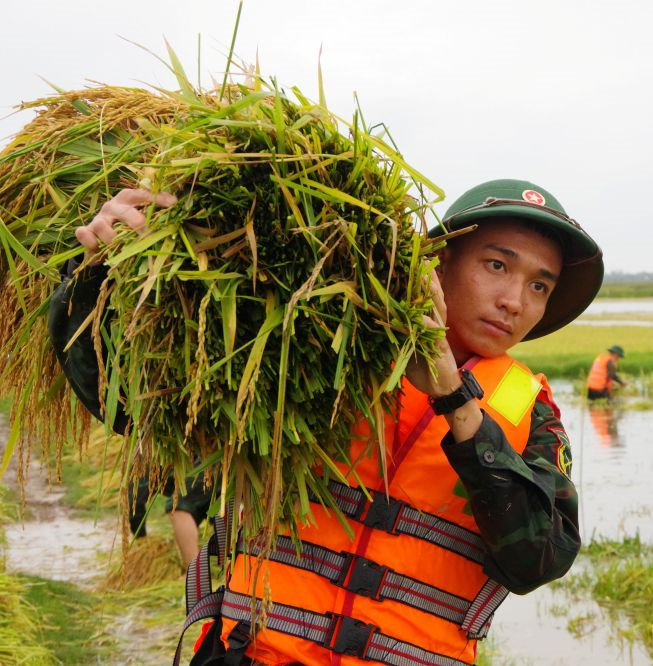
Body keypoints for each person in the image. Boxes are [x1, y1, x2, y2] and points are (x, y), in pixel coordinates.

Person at [48, 178, 604, 666]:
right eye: (497, 265)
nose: (514, 301)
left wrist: (454, 398)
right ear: (438, 262)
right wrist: (99, 273)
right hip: (253, 654)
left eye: (539, 286)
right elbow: (136, 407)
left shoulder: (532, 414)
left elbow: (537, 561)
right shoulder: (329, 345)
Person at [128, 471, 212, 568]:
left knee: (178, 506)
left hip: (209, 467)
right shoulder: (142, 470)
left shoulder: (142, 466)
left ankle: (194, 574)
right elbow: (133, 502)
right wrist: (141, 540)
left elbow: (132, 502)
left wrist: (140, 539)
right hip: (190, 473)